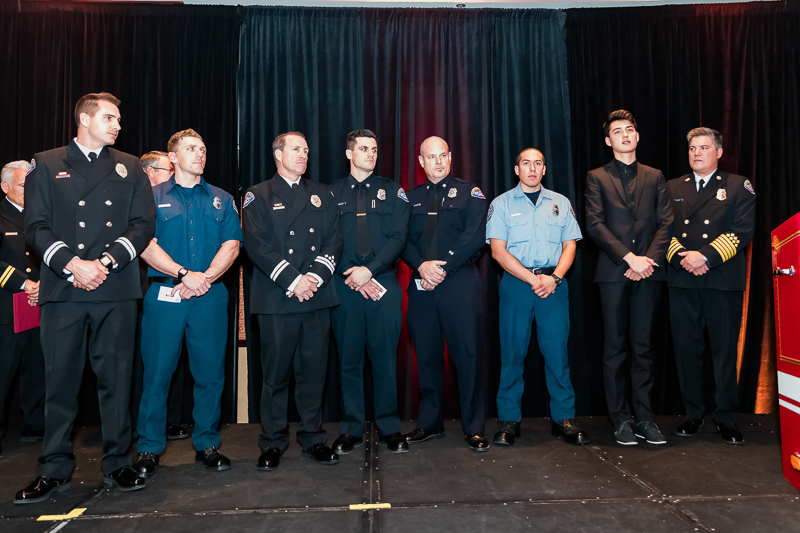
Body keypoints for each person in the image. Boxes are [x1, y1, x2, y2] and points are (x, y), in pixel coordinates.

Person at [17, 92, 155, 504]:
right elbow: (35, 227)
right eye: (109, 118)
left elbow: (143, 224)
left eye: (118, 119)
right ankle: (53, 468)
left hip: (115, 288)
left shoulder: (130, 167)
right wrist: (73, 264)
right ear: (84, 118)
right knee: (59, 383)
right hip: (64, 288)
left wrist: (106, 263)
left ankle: (118, 462)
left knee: (117, 381)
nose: (116, 125)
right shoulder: (47, 162)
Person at [132, 130, 241, 477]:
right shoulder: (150, 196)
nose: (199, 154)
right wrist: (183, 274)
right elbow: (144, 244)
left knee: (210, 374)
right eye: (191, 148)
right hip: (166, 295)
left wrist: (204, 278)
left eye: (203, 149)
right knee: (158, 373)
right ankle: (149, 447)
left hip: (209, 296)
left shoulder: (222, 199)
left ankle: (206, 442)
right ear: (173, 157)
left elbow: (233, 245)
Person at [242, 132, 343, 469]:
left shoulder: (323, 193)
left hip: (315, 296)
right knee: (276, 375)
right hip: (277, 297)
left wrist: (312, 278)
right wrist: (293, 280)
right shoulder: (258, 195)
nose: (303, 155)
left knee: (314, 374)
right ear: (278, 154)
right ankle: (272, 442)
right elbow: (256, 245)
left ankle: (313, 437)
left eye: (306, 150)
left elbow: (334, 241)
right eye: (296, 149)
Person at [487, 147, 588, 447]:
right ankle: (508, 421)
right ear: (516, 170)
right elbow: (497, 251)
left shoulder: (560, 202)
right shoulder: (501, 204)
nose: (532, 168)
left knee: (557, 353)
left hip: (554, 284)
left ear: (544, 169)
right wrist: (533, 279)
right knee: (513, 353)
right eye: (526, 163)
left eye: (538, 163)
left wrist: (554, 278)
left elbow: (570, 246)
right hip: (518, 284)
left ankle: (564, 418)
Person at [584, 110, 673, 445]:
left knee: (644, 347)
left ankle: (645, 418)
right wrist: (629, 258)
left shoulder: (655, 176)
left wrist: (647, 260)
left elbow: (666, 222)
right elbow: (595, 225)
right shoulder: (597, 176)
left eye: (629, 129)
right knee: (615, 348)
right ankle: (620, 419)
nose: (624, 134)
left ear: (637, 136)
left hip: (649, 272)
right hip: (613, 272)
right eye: (617, 131)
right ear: (608, 140)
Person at [666, 127, 756, 445]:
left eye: (704, 147)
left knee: (723, 353)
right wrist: (681, 258)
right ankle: (693, 414)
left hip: (721, 280)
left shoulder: (737, 185)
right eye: (692, 148)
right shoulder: (673, 186)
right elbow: (663, 230)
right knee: (686, 352)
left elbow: (743, 229)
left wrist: (704, 256)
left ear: (718, 151)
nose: (697, 153)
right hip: (682, 281)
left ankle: (726, 418)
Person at [401, 136, 488, 452]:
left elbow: (475, 236)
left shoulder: (470, 193)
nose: (438, 161)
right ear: (421, 162)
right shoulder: (409, 199)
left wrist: (443, 268)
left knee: (468, 356)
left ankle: (474, 426)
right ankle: (429, 423)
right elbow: (401, 240)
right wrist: (422, 266)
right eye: (431, 157)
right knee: (426, 356)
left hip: (460, 283)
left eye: (443, 156)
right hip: (422, 286)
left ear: (450, 158)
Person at [329, 130, 409, 455]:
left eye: (374, 149)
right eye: (363, 149)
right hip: (344, 282)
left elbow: (398, 237)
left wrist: (370, 270)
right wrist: (352, 272)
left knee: (384, 359)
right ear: (349, 154)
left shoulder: (392, 191)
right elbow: (326, 239)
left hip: (384, 283)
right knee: (348, 360)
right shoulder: (330, 193)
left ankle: (389, 426)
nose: (370, 154)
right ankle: (351, 428)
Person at [130, 152, 190, 442]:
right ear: (149, 173)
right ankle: (142, 430)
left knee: (174, 364)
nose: (173, 173)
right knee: (150, 366)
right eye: (168, 169)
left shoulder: (181, 199)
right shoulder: (142, 201)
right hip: (144, 292)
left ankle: (171, 420)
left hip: (176, 288)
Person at [0, 160, 45, 457]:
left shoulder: (41, 216)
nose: (29, 191)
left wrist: (43, 284)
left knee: (38, 369)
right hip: (6, 310)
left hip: (40, 305)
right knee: (3, 373)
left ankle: (36, 425)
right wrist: (23, 283)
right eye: (22, 185)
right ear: (5, 187)